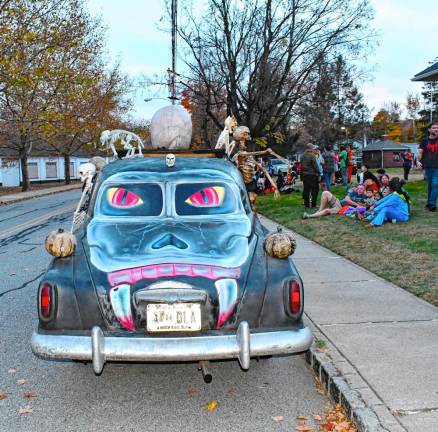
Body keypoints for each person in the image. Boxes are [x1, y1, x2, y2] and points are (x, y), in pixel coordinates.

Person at [303, 184, 367, 219]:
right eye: (358, 188)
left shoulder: (365, 197)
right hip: (338, 202)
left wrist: (361, 205)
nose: (359, 190)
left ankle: (309, 216)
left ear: (364, 190)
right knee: (325, 192)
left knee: (327, 211)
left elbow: (367, 206)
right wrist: (357, 204)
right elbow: (347, 199)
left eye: (361, 189)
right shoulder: (353, 192)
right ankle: (320, 210)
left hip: (341, 209)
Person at [417, 122, 438, 211]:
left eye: (437, 128)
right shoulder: (424, 141)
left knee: (435, 184)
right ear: (429, 130)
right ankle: (429, 202)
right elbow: (419, 152)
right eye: (434, 128)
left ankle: (432, 204)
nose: (436, 129)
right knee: (429, 185)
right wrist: (418, 161)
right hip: (428, 166)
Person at [301, 143, 320, 208]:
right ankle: (313, 205)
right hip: (312, 175)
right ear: (311, 148)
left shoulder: (302, 155)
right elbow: (315, 166)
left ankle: (306, 205)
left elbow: (301, 166)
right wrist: (318, 173)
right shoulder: (311, 155)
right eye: (313, 147)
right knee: (315, 189)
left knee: (306, 190)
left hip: (305, 175)